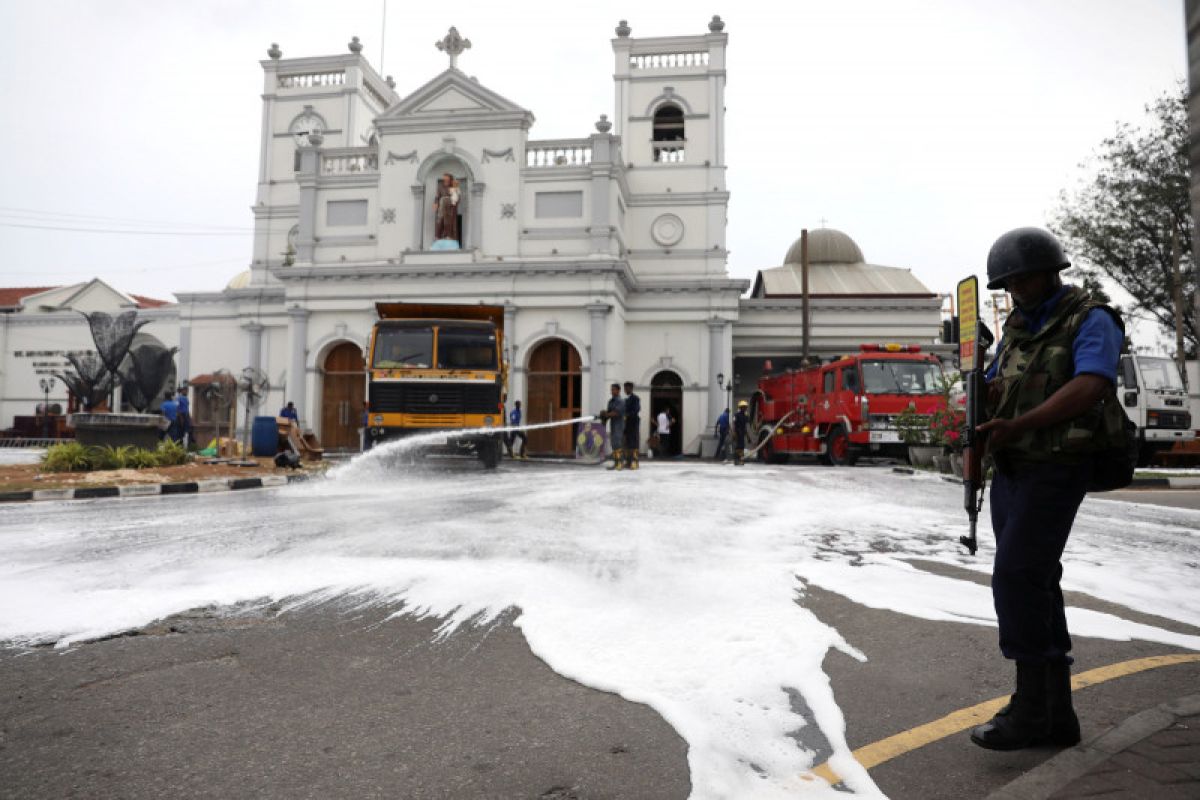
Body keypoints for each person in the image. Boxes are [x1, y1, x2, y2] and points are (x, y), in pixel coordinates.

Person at [968, 227, 1125, 752]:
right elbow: (999, 383)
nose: (1016, 290)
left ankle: (1032, 708)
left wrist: (1021, 424)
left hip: (1058, 466)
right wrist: (984, 403)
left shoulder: (1091, 318)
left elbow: (1091, 383)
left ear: (1050, 271)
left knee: (1015, 577)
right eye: (1008, 283)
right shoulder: (1014, 329)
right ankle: (1057, 715)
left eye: (1023, 279)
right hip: (1013, 470)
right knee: (1034, 581)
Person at [604, 383, 625, 470]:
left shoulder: (621, 401)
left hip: (619, 425)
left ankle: (620, 463)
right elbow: (608, 413)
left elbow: (616, 413)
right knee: (614, 444)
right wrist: (603, 418)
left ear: (618, 390)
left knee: (618, 443)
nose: (612, 391)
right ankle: (616, 463)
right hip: (613, 425)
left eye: (613, 389)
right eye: (611, 389)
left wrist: (606, 414)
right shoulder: (610, 401)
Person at [433, 172, 459, 242]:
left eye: (447, 180)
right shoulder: (440, 187)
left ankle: (449, 236)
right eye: (444, 180)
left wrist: (454, 190)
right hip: (442, 208)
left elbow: (456, 198)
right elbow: (437, 197)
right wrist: (435, 203)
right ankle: (438, 236)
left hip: (450, 208)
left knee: (449, 222)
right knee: (440, 220)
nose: (445, 181)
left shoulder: (454, 186)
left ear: (450, 180)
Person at [622, 381, 641, 470]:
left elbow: (637, 409)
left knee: (634, 443)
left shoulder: (635, 398)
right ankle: (628, 461)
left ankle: (635, 462)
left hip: (633, 423)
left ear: (631, 388)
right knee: (627, 443)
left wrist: (627, 415)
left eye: (627, 388)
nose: (626, 390)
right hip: (626, 424)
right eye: (625, 388)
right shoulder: (625, 399)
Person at [732, 400, 749, 466]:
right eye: (743, 407)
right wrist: (734, 433)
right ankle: (736, 460)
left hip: (742, 432)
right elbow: (734, 424)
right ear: (740, 407)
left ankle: (741, 460)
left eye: (745, 407)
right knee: (738, 447)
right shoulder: (736, 415)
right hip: (737, 432)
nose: (745, 408)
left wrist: (748, 436)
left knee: (742, 446)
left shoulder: (745, 416)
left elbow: (746, 425)